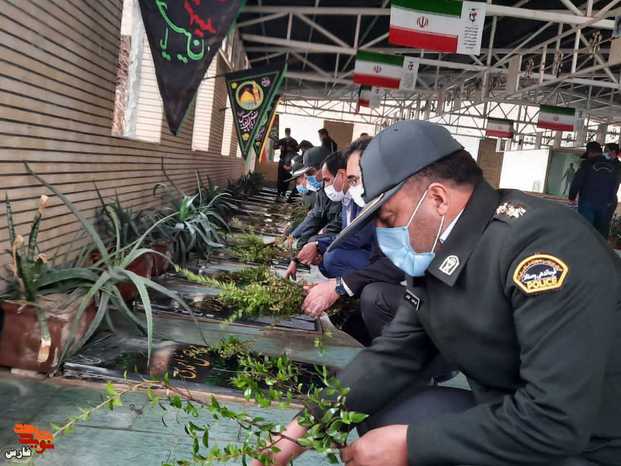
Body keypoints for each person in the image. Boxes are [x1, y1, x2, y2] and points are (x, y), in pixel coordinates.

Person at [252, 120, 621, 466]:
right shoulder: (437, 252)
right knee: (379, 414)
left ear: (439, 199)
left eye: (389, 219)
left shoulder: (542, 249)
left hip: (590, 444)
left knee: (402, 440)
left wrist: (412, 445)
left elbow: (554, 419)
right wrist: (297, 432)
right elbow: (393, 356)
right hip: (507, 412)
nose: (384, 235)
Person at [302, 138, 405, 342]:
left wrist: (341, 285)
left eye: (355, 180)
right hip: (398, 277)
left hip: (430, 295)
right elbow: (377, 256)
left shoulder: (403, 208)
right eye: (351, 181)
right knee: (356, 313)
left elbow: (397, 265)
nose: (352, 186)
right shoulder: (377, 207)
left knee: (373, 295)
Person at [288, 151, 374, 281]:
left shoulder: (360, 198)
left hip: (375, 256)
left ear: (342, 175)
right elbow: (318, 218)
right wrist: (302, 253)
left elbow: (357, 237)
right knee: (325, 259)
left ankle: (351, 285)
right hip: (357, 248)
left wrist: (318, 244)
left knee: (331, 257)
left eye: (327, 180)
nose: (325, 185)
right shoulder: (346, 199)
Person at [286, 146, 342, 253]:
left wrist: (317, 240)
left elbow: (339, 222)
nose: (308, 178)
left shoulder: (338, 191)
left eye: (310, 173)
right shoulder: (322, 191)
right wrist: (294, 236)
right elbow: (314, 217)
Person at [569, 141, 621, 238]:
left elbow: (577, 181)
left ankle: (585, 247)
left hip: (587, 202)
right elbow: (616, 183)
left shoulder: (587, 163)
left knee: (586, 231)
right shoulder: (614, 166)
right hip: (606, 204)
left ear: (590, 152)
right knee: (601, 233)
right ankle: (600, 247)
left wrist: (572, 197)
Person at [274, 128, 298, 198]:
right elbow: (274, 147)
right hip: (282, 161)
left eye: (288, 132)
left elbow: (297, 149)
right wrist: (279, 146)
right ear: (285, 133)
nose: (287, 133)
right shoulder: (282, 140)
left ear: (290, 132)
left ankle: (284, 192)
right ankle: (279, 192)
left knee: (287, 177)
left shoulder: (293, 141)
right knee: (280, 177)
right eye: (286, 132)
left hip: (289, 162)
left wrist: (291, 149)